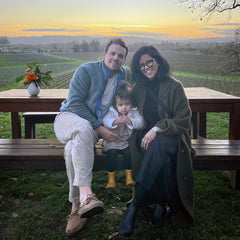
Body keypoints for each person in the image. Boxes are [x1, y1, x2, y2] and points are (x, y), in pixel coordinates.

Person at [54, 38, 131, 236]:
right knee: (82, 127)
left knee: (73, 149)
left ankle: (76, 208)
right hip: (69, 118)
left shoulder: (126, 75)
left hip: (90, 129)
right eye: (112, 53)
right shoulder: (86, 70)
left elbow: (134, 96)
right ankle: (87, 195)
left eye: (120, 56)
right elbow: (76, 103)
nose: (116, 58)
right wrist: (100, 127)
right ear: (104, 54)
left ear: (124, 60)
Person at [119, 46, 194, 237]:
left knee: (159, 144)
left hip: (173, 139)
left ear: (158, 61)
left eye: (149, 62)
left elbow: (184, 120)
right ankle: (161, 204)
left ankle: (135, 205)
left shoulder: (175, 86)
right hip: (146, 141)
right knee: (160, 155)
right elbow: (126, 108)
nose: (145, 67)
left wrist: (156, 129)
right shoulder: (138, 89)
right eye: (141, 65)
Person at [102, 80, 144, 189]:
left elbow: (141, 122)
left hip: (125, 141)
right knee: (111, 154)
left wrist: (131, 121)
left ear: (131, 103)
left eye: (127, 104)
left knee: (129, 154)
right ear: (115, 105)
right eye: (120, 105)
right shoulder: (111, 112)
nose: (124, 107)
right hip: (112, 141)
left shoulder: (134, 112)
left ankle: (129, 177)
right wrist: (114, 121)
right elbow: (105, 121)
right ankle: (111, 179)